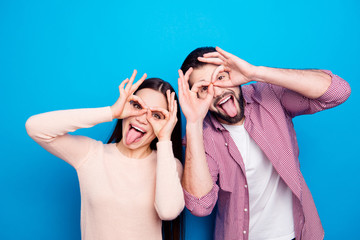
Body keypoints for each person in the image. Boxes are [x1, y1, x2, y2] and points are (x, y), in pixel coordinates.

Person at [177, 47, 351, 240]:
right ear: (195, 98)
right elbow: (200, 207)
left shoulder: (268, 97)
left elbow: (339, 91)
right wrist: (193, 123)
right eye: (203, 88)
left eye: (221, 77)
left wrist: (254, 72)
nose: (217, 91)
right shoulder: (205, 137)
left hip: (298, 234)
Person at [26, 70, 185, 240]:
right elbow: (35, 127)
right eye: (137, 106)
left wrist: (164, 138)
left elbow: (168, 211)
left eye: (156, 115)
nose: (143, 119)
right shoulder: (91, 154)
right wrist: (111, 112)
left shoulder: (168, 164)